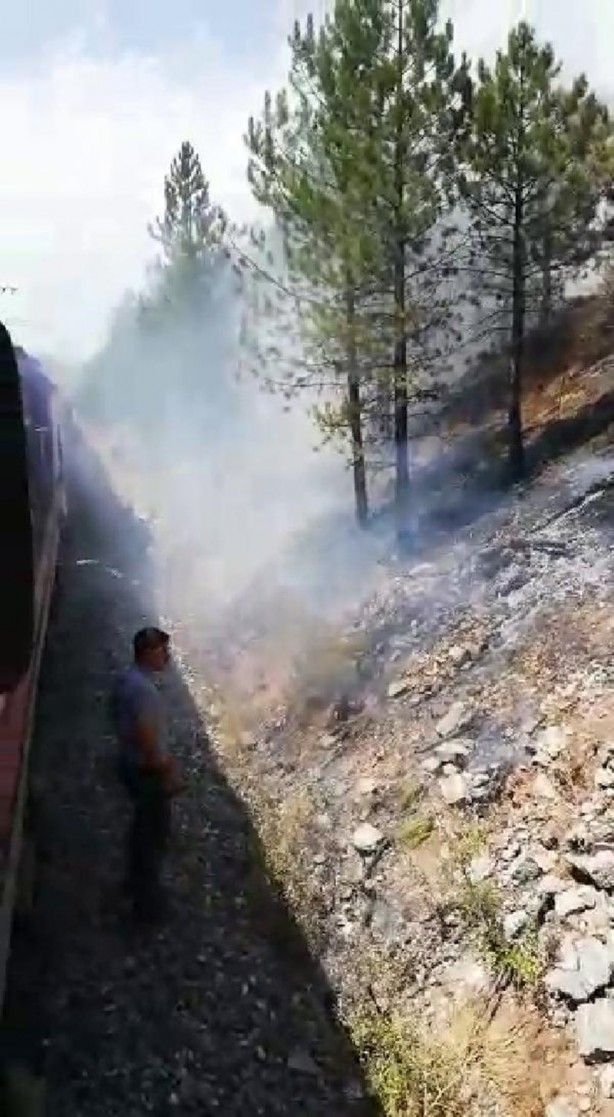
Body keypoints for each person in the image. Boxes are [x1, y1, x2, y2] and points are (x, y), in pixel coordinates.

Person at [111, 626, 181, 923]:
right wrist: (166, 771)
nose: (168, 657)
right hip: (147, 771)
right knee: (153, 837)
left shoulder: (127, 680)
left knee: (142, 831)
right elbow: (146, 736)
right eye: (163, 651)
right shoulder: (143, 691)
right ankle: (147, 908)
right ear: (149, 653)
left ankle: (133, 886)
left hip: (131, 764)